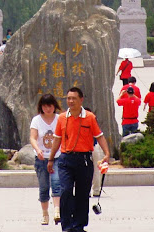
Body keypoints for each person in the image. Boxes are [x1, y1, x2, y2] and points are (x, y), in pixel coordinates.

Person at [47, 87, 110, 232]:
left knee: (82, 193)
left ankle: (79, 225)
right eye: (68, 98)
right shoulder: (62, 118)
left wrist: (106, 153)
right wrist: (51, 159)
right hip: (66, 160)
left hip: (84, 160)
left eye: (74, 98)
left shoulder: (89, 117)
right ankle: (67, 226)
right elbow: (56, 140)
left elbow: (99, 136)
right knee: (66, 191)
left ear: (81, 100)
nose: (70, 101)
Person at [30, 94, 62, 226]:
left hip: (57, 157)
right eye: (44, 106)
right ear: (40, 107)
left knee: (56, 182)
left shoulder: (60, 119)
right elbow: (33, 137)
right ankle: (45, 214)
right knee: (44, 187)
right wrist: (38, 150)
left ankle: (57, 211)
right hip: (41, 158)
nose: (47, 109)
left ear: (54, 106)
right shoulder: (36, 120)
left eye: (50, 105)